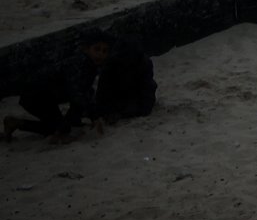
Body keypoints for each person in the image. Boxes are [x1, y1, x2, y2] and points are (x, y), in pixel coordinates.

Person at [4, 30, 156, 143]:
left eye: (104, 51)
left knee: (72, 112)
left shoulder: (90, 66)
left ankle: (22, 124)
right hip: (36, 95)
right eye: (97, 49)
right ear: (86, 49)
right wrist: (94, 116)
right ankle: (24, 125)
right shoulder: (80, 65)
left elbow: (83, 93)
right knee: (57, 126)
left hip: (47, 95)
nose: (100, 54)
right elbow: (77, 92)